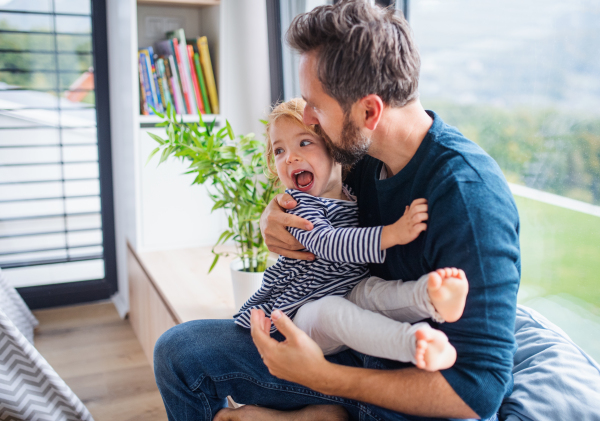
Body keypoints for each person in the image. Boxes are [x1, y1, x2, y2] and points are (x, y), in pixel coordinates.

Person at [153, 2, 520, 420]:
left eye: (317, 107)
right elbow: (313, 204)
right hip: (350, 336)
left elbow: (479, 393)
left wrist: (322, 376)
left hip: (415, 376)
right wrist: (272, 217)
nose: (307, 119)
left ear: (369, 111)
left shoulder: (468, 195)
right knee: (178, 352)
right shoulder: (362, 158)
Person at [234, 98, 469, 372]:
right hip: (304, 314)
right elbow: (330, 244)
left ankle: (432, 298)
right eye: (279, 150)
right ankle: (415, 345)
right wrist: (392, 234)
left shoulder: (352, 194)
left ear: (334, 148)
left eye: (304, 143)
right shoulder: (300, 205)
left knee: (375, 292)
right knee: (332, 312)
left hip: (348, 289)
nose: (290, 157)